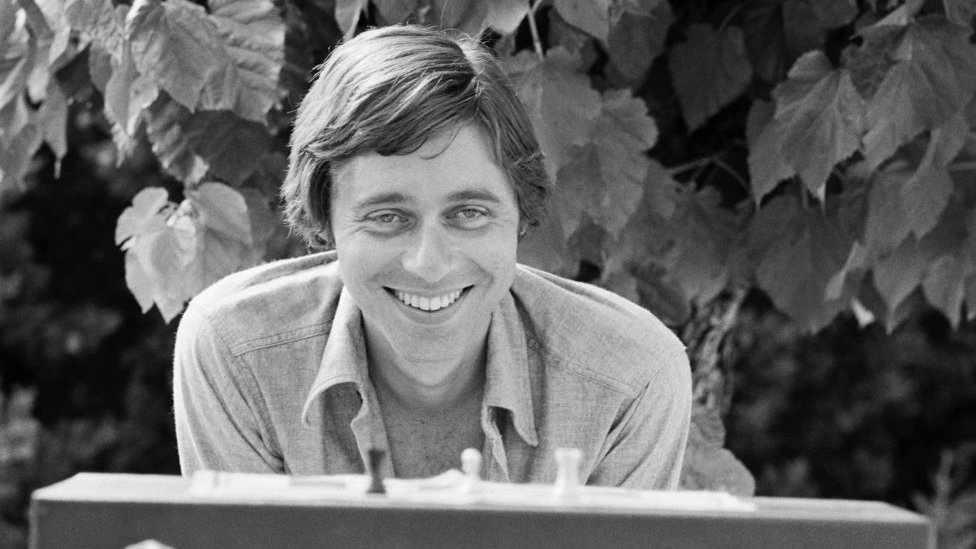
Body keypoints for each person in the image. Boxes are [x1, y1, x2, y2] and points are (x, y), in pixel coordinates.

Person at [173, 24, 692, 489]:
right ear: (326, 220)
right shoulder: (238, 350)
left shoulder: (630, 378)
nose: (429, 263)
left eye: (469, 213)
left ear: (521, 214)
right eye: (387, 216)